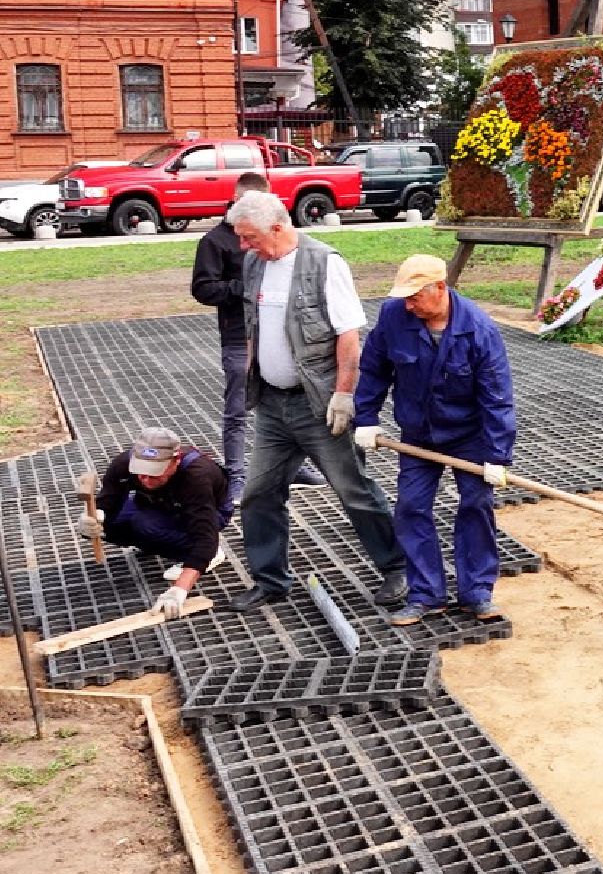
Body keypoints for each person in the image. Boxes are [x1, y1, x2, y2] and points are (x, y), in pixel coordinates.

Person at [224, 190, 407, 612]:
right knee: (258, 493)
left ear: (277, 227)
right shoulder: (256, 263)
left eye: (250, 237)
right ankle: (271, 580)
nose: (244, 246)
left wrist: (343, 395)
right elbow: (254, 327)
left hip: (318, 404)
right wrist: (250, 379)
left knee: (353, 490)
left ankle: (398, 567)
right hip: (273, 405)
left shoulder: (324, 263)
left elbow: (348, 336)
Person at [354, 254, 516, 625]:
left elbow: (497, 397)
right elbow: (375, 368)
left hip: (469, 435)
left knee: (476, 505)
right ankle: (426, 595)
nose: (408, 306)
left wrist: (497, 456)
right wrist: (366, 419)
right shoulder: (394, 317)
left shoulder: (479, 330)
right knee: (411, 507)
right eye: (405, 298)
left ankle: (477, 594)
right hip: (418, 435)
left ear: (440, 288)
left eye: (415, 297)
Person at [190, 171, 323, 501]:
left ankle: (291, 467)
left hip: (281, 336)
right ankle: (235, 474)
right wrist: (247, 288)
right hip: (240, 337)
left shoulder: (279, 236)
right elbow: (203, 288)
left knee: (286, 403)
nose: (247, 244)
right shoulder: (215, 241)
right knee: (238, 408)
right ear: (237, 201)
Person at [74, 427, 230, 619]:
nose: (145, 480)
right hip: (157, 503)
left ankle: (208, 554)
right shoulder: (123, 463)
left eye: (154, 474)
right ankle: (157, 540)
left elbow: (205, 535)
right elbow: (108, 501)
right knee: (106, 526)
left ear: (175, 461)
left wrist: (179, 589)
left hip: (207, 512)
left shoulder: (197, 476)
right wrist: (92, 517)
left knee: (146, 526)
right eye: (141, 472)